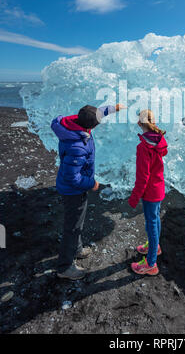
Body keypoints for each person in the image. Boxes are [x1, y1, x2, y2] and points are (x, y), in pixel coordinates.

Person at [51, 103, 124, 280]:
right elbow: (72, 178)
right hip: (72, 191)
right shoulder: (77, 146)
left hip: (72, 187)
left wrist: (113, 108)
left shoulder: (72, 123)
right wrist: (91, 183)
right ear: (90, 126)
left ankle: (77, 249)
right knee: (73, 228)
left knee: (78, 222)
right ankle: (65, 267)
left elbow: (95, 113)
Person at [128, 109, 168, 276]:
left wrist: (134, 197)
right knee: (155, 218)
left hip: (150, 192)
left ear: (139, 123)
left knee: (151, 223)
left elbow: (143, 176)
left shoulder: (143, 147)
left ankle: (151, 264)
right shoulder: (160, 141)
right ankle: (155, 247)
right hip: (159, 188)